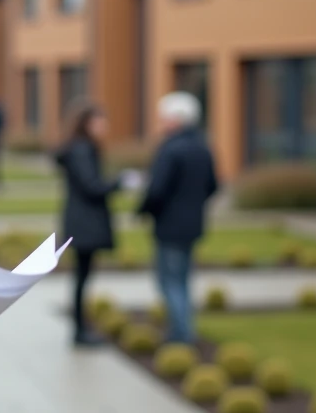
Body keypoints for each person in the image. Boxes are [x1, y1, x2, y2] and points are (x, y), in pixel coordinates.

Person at [138, 92, 218, 344]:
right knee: (182, 279)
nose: (161, 123)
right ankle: (182, 329)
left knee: (168, 280)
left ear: (176, 120)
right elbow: (213, 186)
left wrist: (144, 210)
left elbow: (157, 189)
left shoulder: (170, 149)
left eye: (164, 118)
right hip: (193, 224)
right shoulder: (203, 147)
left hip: (170, 225)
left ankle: (182, 334)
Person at [55, 103, 122, 346]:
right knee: (82, 277)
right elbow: (92, 186)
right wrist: (118, 183)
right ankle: (80, 330)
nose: (104, 127)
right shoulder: (82, 150)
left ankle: (81, 328)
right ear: (87, 124)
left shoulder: (78, 149)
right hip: (85, 221)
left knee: (82, 276)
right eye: (99, 122)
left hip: (80, 219)